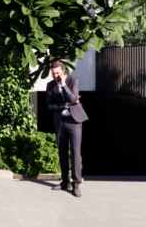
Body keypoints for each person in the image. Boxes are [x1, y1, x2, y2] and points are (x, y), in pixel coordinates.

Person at [46, 60, 88, 197]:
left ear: (63, 71)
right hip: (60, 122)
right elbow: (49, 106)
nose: (55, 76)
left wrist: (63, 84)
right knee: (62, 151)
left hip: (74, 121)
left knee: (75, 152)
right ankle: (65, 182)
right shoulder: (50, 85)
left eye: (57, 73)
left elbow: (73, 96)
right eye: (53, 73)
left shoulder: (73, 81)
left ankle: (76, 184)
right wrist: (65, 104)